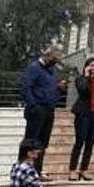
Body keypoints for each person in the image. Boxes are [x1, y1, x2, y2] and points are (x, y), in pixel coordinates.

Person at [18, 49, 65, 179]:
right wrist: (33, 105)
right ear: (47, 56)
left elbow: (50, 89)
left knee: (43, 143)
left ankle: (37, 172)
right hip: (37, 109)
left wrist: (59, 88)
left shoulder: (52, 71)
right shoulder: (34, 68)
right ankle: (22, 170)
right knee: (30, 141)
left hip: (49, 109)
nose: (54, 63)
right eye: (53, 60)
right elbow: (25, 87)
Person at [68, 57, 94, 181]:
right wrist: (86, 76)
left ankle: (84, 169)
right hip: (84, 113)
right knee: (80, 142)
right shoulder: (81, 79)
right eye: (91, 65)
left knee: (90, 143)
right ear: (86, 67)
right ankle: (72, 170)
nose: (93, 67)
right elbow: (83, 90)